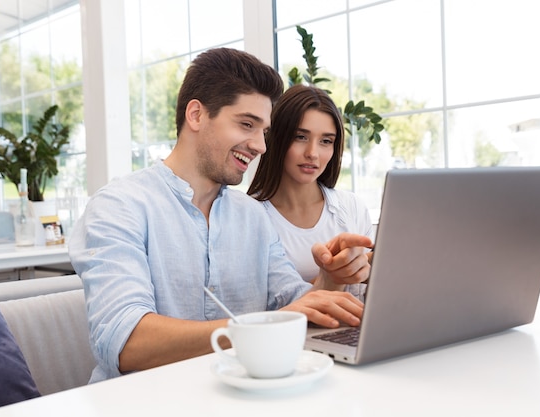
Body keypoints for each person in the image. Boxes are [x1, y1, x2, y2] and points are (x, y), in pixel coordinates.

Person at [68, 48, 372, 383]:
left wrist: (332, 277)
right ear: (196, 115)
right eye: (246, 124)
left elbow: (294, 302)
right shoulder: (120, 206)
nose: (260, 146)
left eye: (264, 132)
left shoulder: (253, 216)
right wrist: (258, 328)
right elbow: (126, 343)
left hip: (240, 399)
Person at [248, 84, 374, 299]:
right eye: (300, 137)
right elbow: (261, 304)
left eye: (326, 141)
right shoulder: (250, 216)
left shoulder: (351, 207)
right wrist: (333, 275)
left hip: (354, 329)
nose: (312, 153)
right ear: (276, 138)